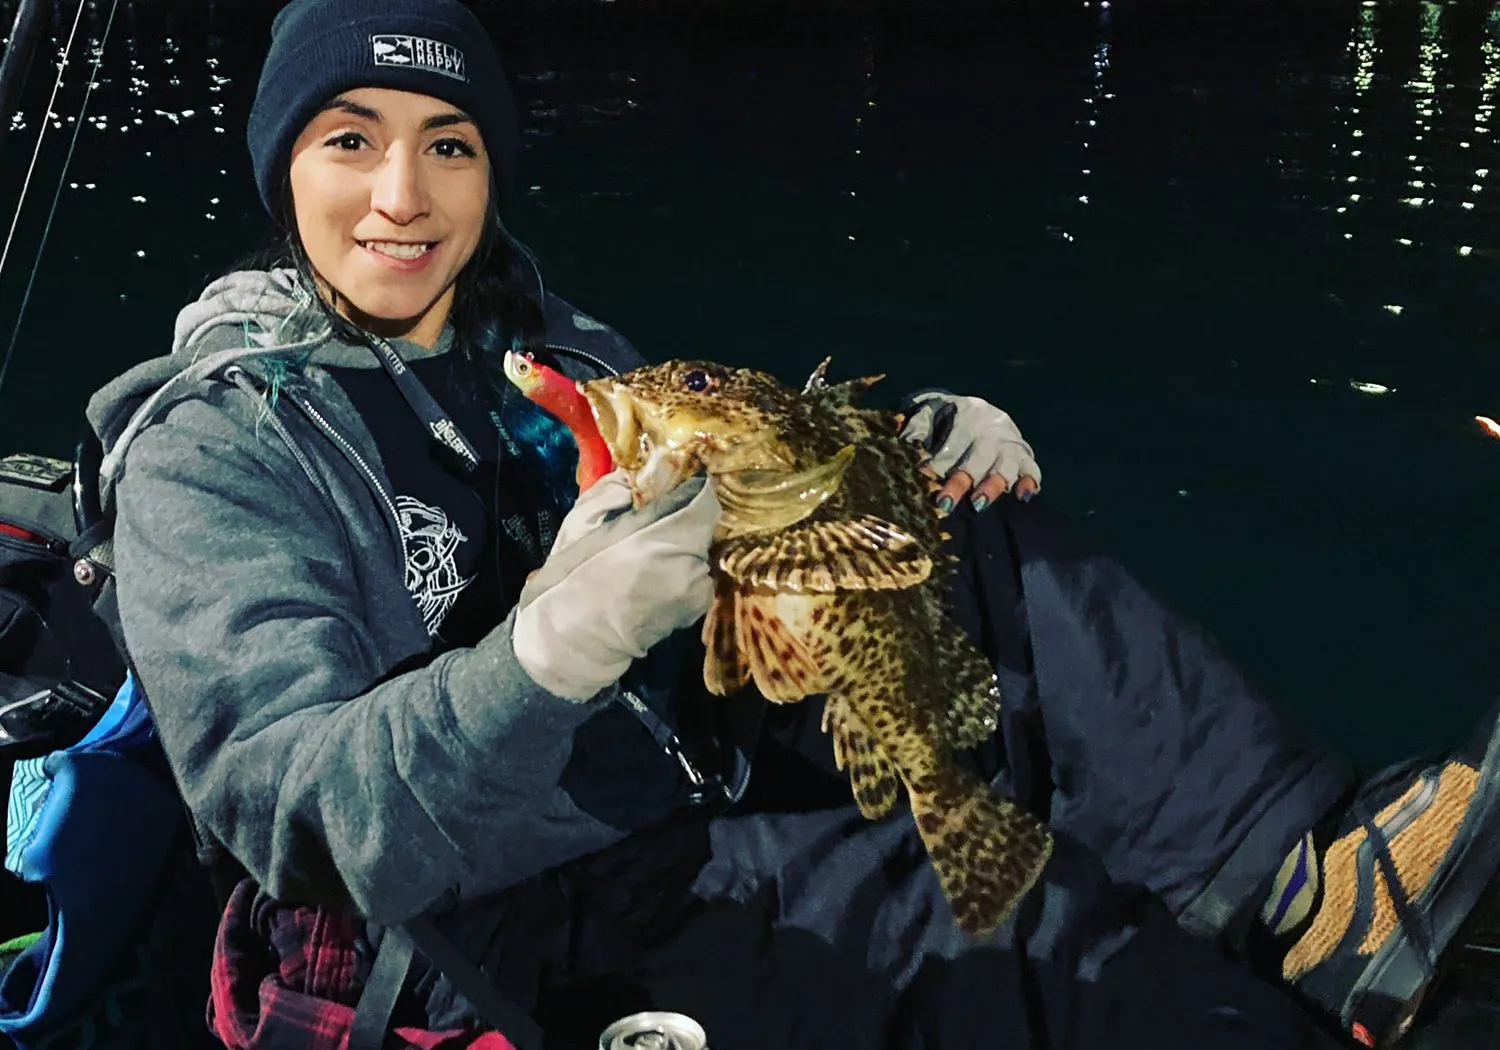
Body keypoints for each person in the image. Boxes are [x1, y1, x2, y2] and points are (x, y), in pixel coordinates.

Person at [81, 1, 1500, 1048]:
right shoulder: (215, 450)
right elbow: (299, 818)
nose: (403, 196)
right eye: (351, 141)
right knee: (1005, 926)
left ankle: (1313, 880)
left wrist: (893, 455)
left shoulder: (555, 345)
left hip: (671, 750)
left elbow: (735, 472)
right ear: (284, 169)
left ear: (489, 168)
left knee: (988, 540)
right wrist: (548, 648)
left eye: (447, 145)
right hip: (494, 906)